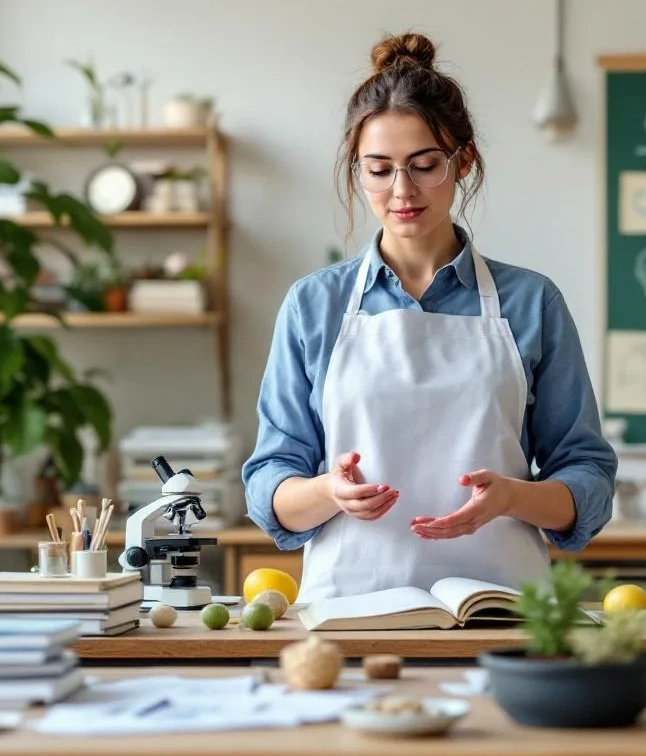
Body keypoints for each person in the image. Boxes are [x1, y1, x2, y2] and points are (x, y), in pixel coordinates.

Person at [241, 32, 617, 603]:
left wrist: (514, 497)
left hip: (502, 610)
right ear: (357, 170)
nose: (402, 190)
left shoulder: (531, 302)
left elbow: (586, 475)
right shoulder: (313, 306)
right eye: (379, 169)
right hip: (349, 609)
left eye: (424, 165)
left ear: (462, 161)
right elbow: (270, 482)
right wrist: (326, 492)